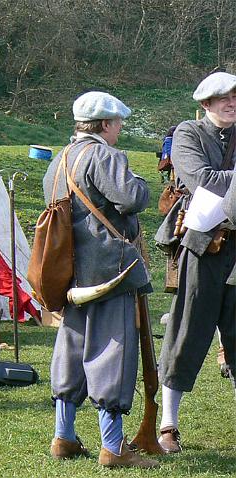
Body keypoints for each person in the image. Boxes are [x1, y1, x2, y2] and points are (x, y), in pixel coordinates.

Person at [43, 92, 157, 468]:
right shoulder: (104, 156)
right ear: (106, 125)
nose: (120, 129)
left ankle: (64, 437)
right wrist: (139, 180)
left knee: (71, 352)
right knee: (112, 355)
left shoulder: (58, 161)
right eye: (118, 123)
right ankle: (113, 446)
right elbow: (133, 198)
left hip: (70, 274)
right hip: (110, 271)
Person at [157, 72, 236, 454]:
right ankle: (167, 425)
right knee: (186, 334)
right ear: (206, 103)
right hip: (204, 245)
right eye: (224, 98)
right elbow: (201, 179)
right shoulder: (189, 133)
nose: (232, 103)